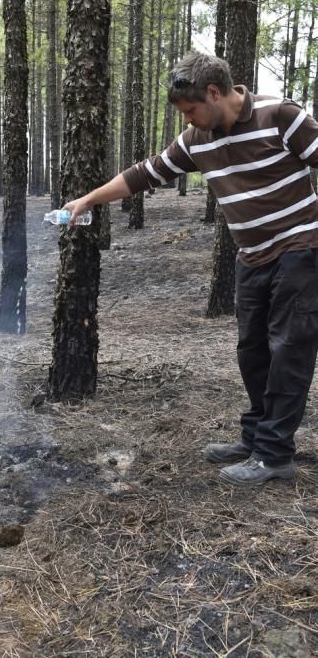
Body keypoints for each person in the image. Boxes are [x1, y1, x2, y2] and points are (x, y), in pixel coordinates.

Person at [64, 50, 318, 487]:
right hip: (251, 259)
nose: (187, 119)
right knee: (252, 353)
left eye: (191, 109)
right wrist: (90, 198)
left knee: (288, 353)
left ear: (215, 92)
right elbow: (147, 173)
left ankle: (274, 456)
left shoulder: (282, 116)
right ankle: (257, 438)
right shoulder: (195, 140)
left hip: (300, 252)